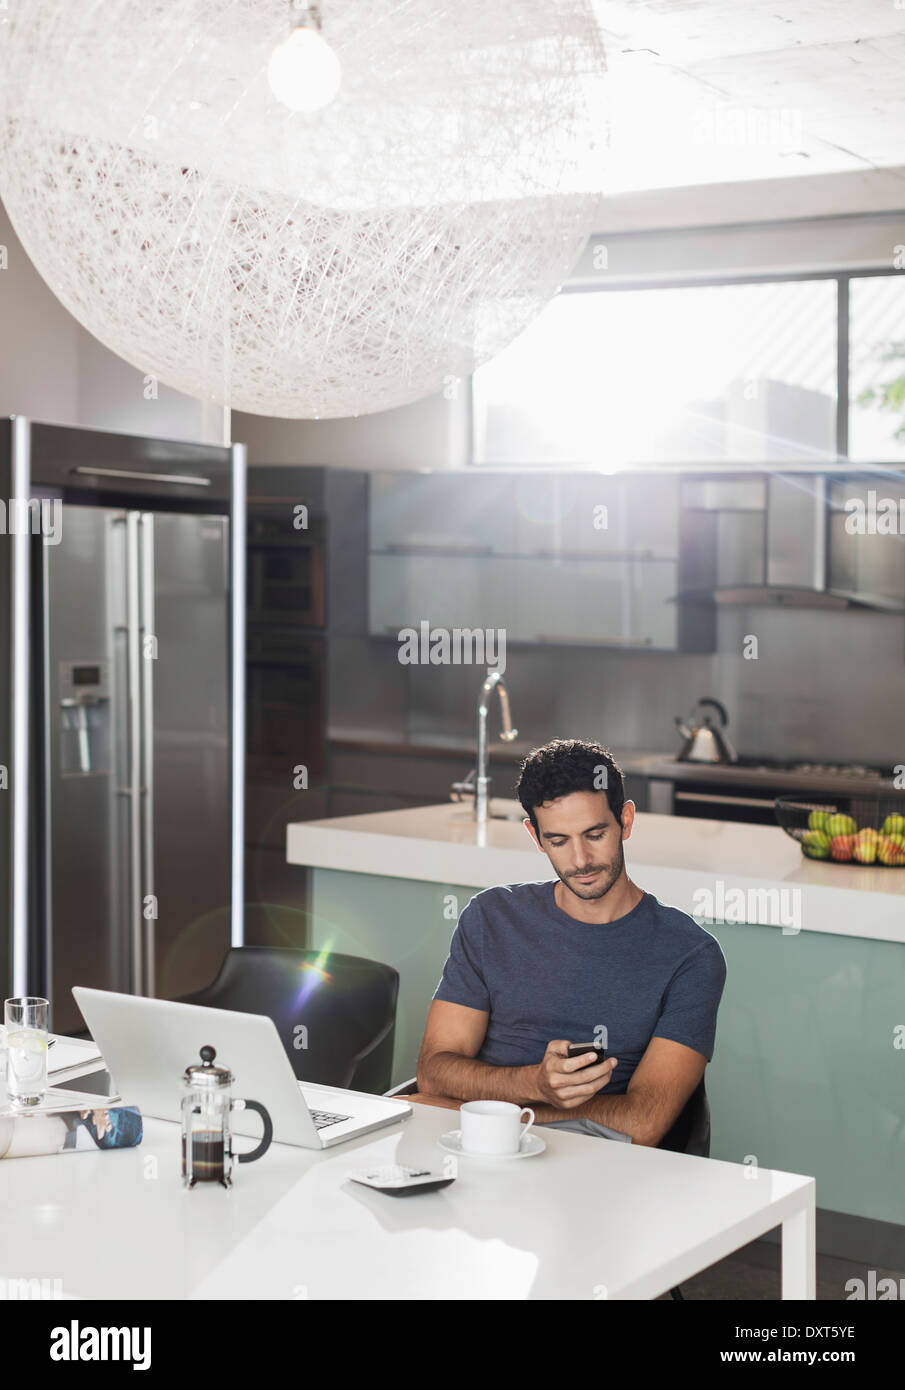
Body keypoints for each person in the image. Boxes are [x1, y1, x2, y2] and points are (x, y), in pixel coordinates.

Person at [416, 738, 727, 1145]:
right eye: (559, 841)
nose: (580, 861)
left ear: (626, 821)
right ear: (535, 835)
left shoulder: (689, 956)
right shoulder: (491, 917)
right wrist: (534, 1083)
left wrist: (480, 1114)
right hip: (470, 1151)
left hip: (595, 1172)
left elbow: (644, 1122)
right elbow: (435, 1072)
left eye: (595, 834)